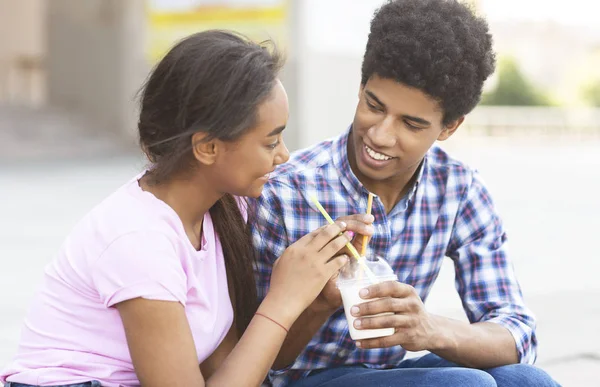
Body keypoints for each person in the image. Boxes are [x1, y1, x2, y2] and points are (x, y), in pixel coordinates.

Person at [0, 30, 370, 387]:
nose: (284, 155)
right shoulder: (140, 240)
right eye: (270, 141)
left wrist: (315, 302)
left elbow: (231, 370)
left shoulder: (222, 212)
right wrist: (283, 298)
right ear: (207, 147)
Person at [250, 1, 560, 386]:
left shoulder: (458, 189)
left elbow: (518, 333)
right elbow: (259, 359)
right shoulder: (290, 190)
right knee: (466, 385)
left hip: (388, 374)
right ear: (361, 87)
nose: (380, 135)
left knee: (527, 380)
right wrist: (318, 304)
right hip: (302, 378)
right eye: (373, 105)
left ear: (449, 127)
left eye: (412, 124)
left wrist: (429, 329)